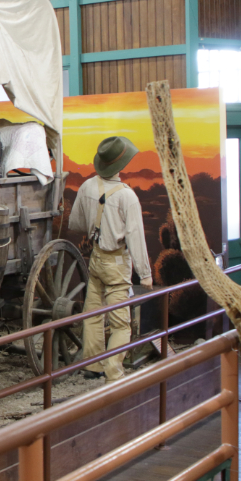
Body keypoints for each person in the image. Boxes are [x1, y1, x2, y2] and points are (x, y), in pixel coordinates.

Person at [68, 136, 153, 382]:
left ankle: (92, 365)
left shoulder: (86, 187)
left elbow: (75, 223)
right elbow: (136, 237)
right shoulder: (128, 197)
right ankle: (114, 372)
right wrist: (145, 274)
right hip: (117, 263)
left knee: (92, 313)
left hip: (96, 258)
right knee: (120, 323)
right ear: (122, 165)